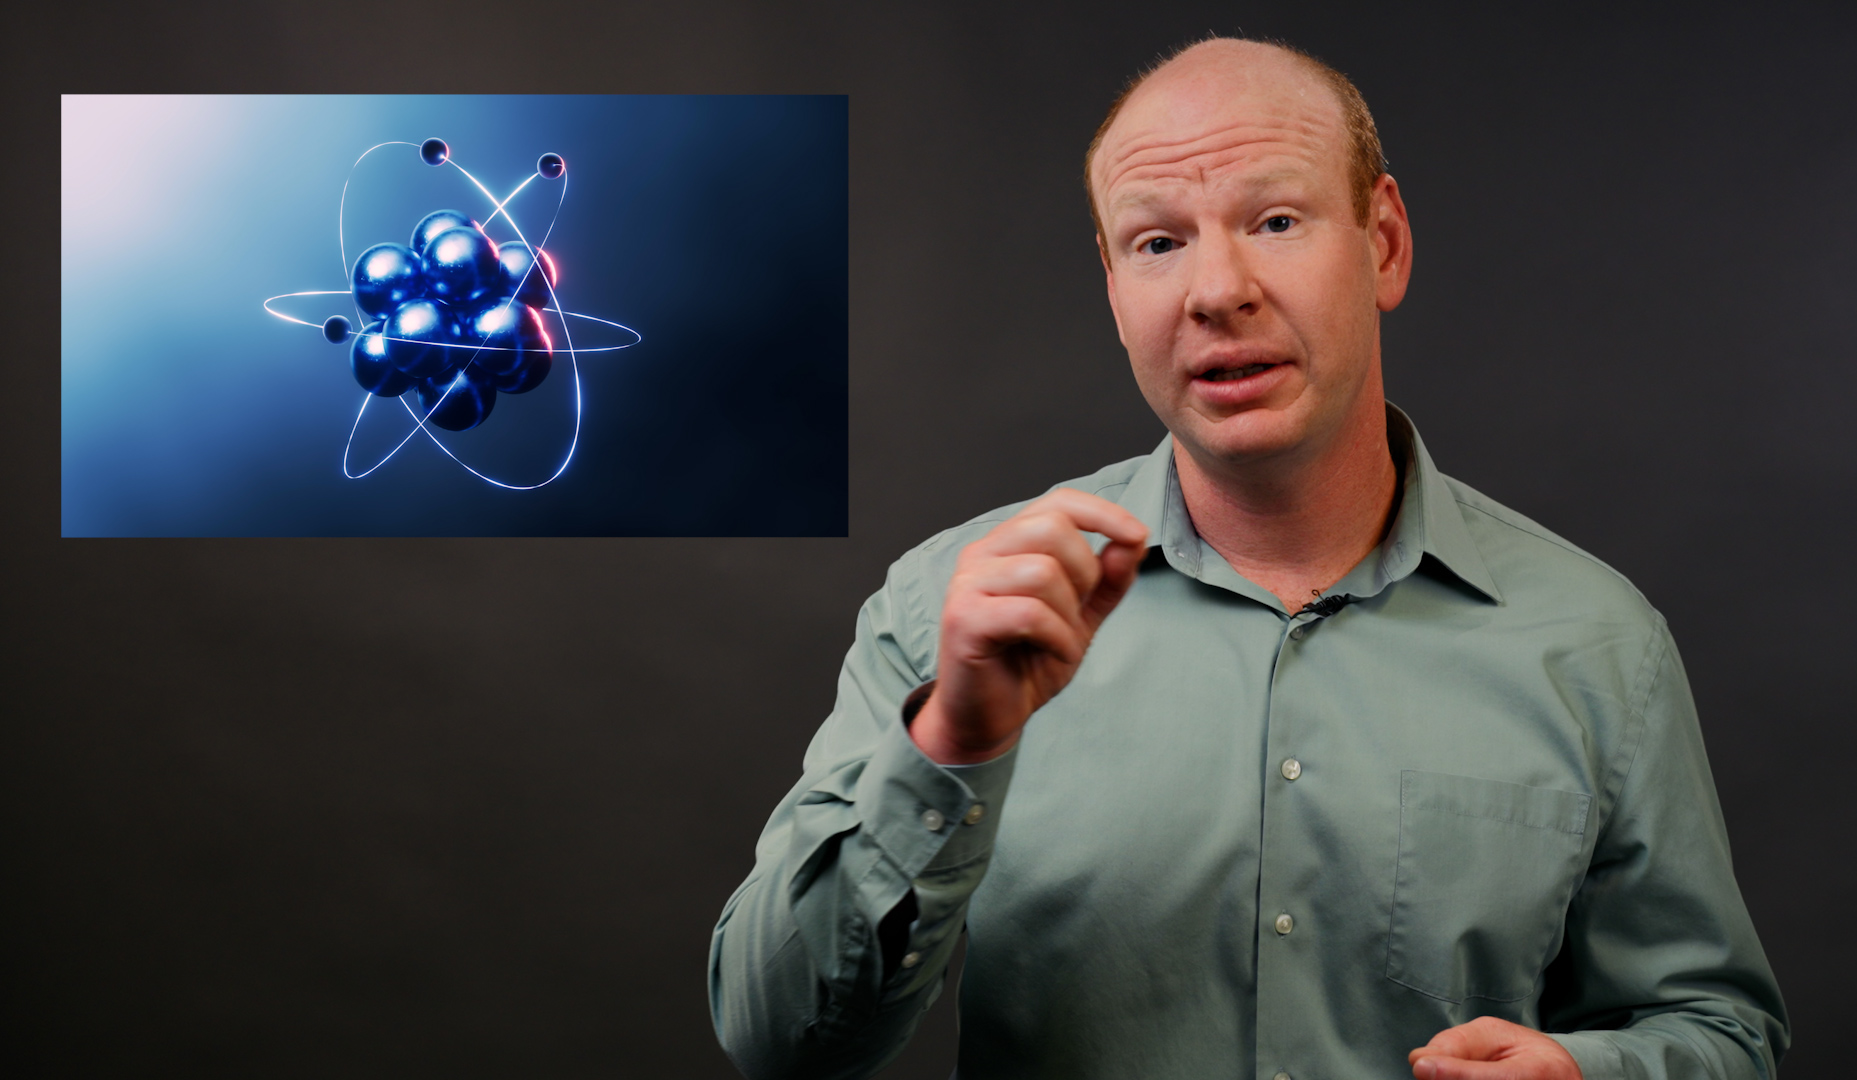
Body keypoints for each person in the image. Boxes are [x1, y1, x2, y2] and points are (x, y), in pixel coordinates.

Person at [709, 37, 1788, 1080]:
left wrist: (1589, 1074)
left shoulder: (1599, 642)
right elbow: (777, 1042)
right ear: (1114, 287)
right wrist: (951, 741)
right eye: (1157, 241)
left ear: (1385, 243)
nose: (1214, 291)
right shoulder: (951, 608)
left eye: (1274, 220)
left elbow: (1718, 1029)